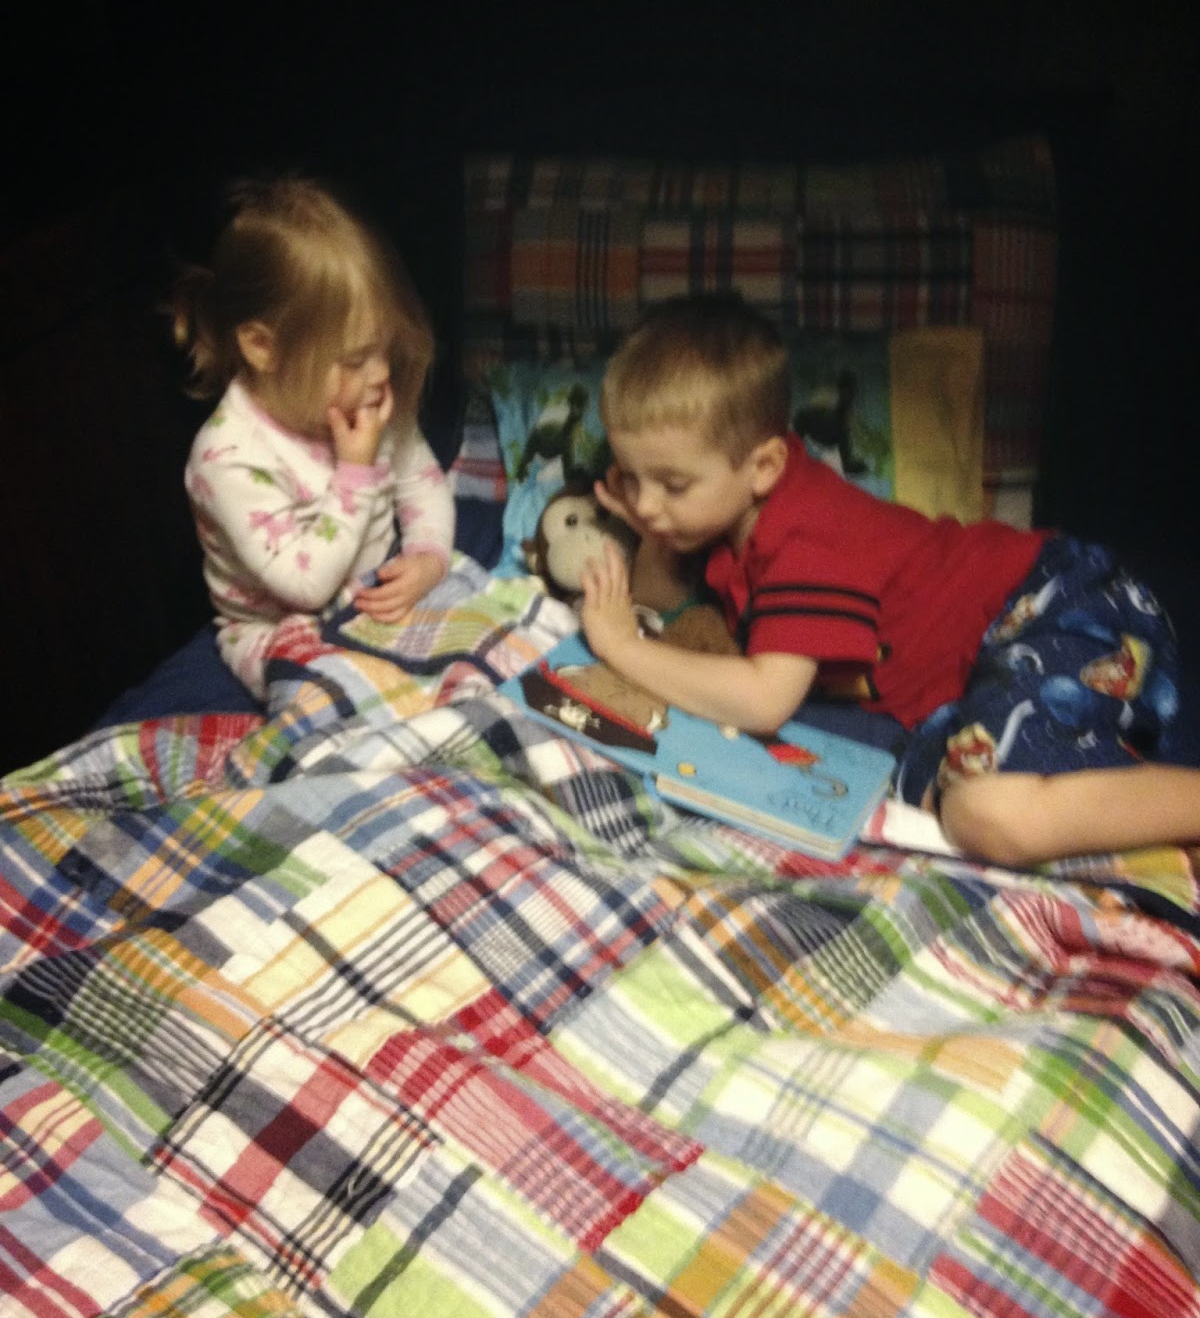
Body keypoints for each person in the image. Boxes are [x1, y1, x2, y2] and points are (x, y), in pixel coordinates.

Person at [579, 293, 1200, 866]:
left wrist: (622, 646)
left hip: (1054, 599)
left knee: (986, 815)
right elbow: (660, 597)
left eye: (672, 484)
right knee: (935, 793)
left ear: (763, 465)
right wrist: (654, 525)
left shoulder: (806, 535)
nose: (647, 504)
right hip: (965, 675)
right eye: (630, 477)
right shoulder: (729, 517)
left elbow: (766, 700)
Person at [176, 176, 454, 698]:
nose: (380, 373)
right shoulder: (227, 458)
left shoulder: (367, 397)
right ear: (263, 347)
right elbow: (305, 588)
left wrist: (427, 559)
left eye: (384, 349)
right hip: (278, 627)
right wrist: (356, 473)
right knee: (326, 697)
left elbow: (421, 482)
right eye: (355, 358)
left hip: (371, 592)